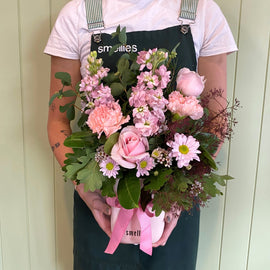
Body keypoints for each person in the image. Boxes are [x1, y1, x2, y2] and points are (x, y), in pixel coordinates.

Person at [45, 0, 237, 269]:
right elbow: (58, 120)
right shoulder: (78, 15)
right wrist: (87, 191)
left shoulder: (202, 11)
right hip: (101, 201)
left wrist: (177, 198)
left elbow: (215, 124)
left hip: (171, 207)